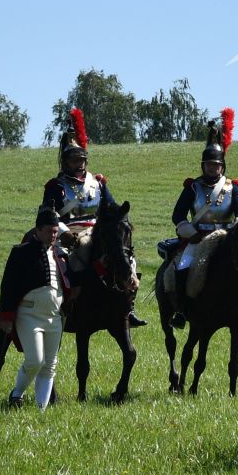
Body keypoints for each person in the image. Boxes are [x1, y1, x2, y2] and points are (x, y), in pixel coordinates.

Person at [158, 119, 238, 328]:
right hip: (198, 238)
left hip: (227, 238)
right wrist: (191, 233)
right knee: (182, 266)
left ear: (221, 166)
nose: (212, 168)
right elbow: (178, 216)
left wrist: (235, 232)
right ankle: (181, 309)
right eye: (209, 165)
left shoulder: (233, 188)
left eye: (216, 165)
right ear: (203, 165)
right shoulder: (192, 187)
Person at [43, 113, 144, 328]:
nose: (78, 164)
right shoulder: (55, 186)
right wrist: (63, 233)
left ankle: (128, 306)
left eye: (81, 159)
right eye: (73, 160)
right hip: (69, 234)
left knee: (127, 259)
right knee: (70, 264)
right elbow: (49, 214)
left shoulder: (97, 183)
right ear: (66, 162)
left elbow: (111, 208)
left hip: (97, 231)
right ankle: (70, 305)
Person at [0, 206, 71, 408]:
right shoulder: (21, 253)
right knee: (35, 361)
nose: (53, 235)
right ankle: (16, 394)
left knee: (50, 366)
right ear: (37, 231)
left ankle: (41, 409)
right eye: (48, 230)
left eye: (55, 231)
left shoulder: (60, 254)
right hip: (29, 314)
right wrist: (6, 316)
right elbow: (9, 286)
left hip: (54, 316)